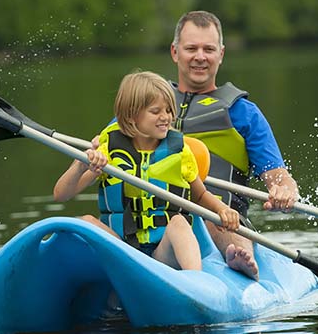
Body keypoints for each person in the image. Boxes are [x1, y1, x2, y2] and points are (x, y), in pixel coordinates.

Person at [53, 71, 242, 271]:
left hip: (162, 253)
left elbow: (200, 195)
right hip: (122, 251)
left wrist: (222, 209)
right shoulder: (109, 151)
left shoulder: (180, 152)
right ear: (132, 115)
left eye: (169, 110)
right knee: (86, 222)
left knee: (178, 222)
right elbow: (61, 194)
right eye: (156, 111)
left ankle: (195, 281)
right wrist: (80, 164)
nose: (165, 117)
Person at [166, 10, 301, 281]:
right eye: (191, 48)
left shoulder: (243, 113)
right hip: (154, 221)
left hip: (220, 220)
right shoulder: (146, 104)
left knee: (213, 219)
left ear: (221, 54)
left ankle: (238, 258)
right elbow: (109, 148)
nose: (200, 57)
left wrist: (284, 191)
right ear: (175, 52)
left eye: (208, 49)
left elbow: (279, 177)